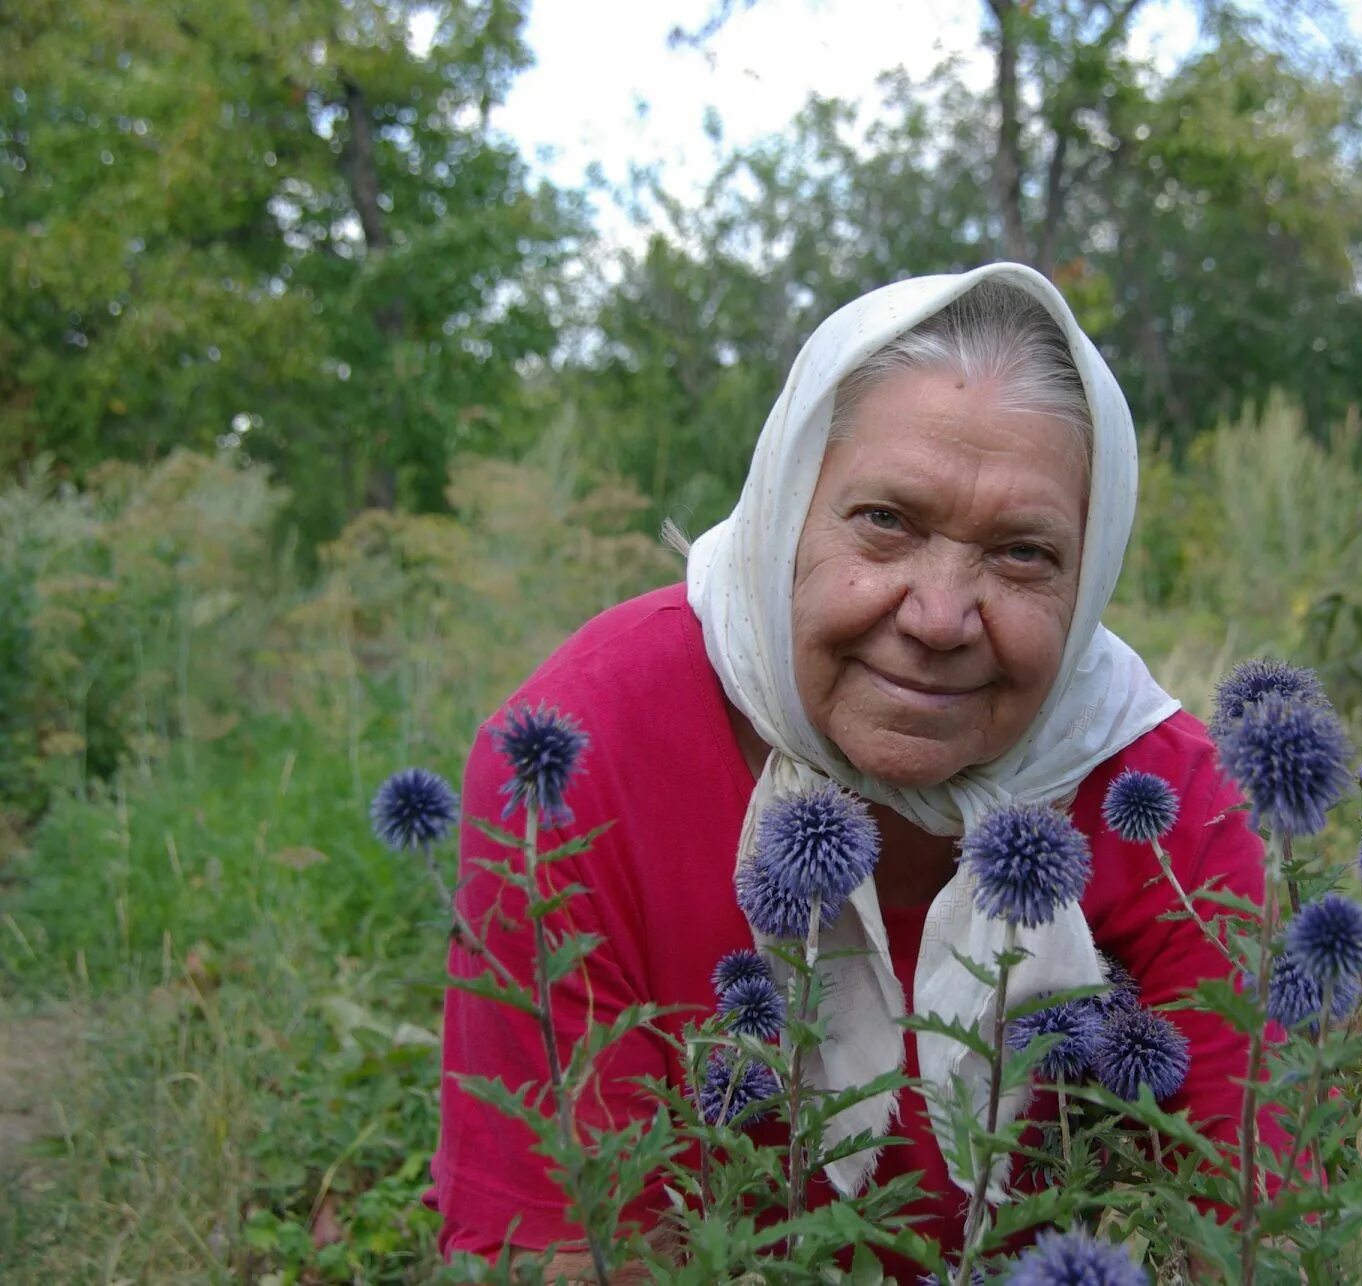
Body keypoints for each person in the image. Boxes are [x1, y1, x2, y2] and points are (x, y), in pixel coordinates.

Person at [427, 263, 1291, 1274]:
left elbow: (1250, 1219)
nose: (937, 616)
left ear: (1090, 569)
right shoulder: (583, 750)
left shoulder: (1162, 801)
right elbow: (561, 1241)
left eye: (1021, 553)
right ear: (787, 509)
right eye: (887, 521)